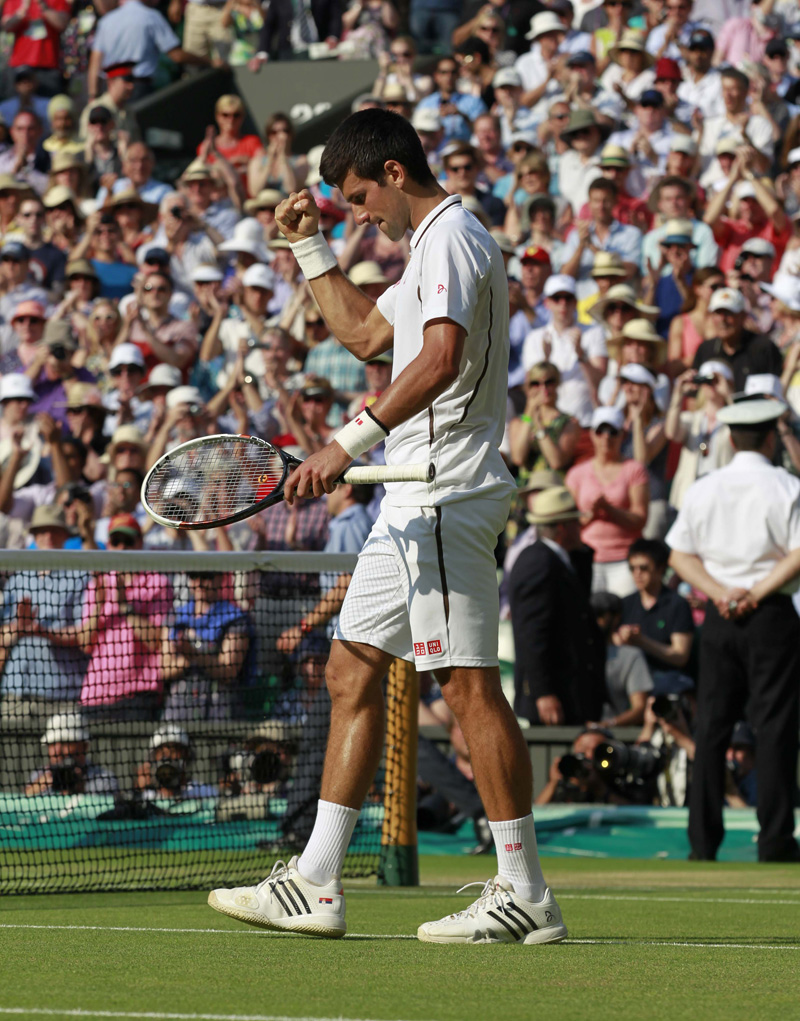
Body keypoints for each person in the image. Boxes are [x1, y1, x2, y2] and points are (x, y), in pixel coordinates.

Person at [209, 107, 568, 944]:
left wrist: (344, 443)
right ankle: (316, 882)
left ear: (395, 173)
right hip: (408, 499)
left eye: (359, 197)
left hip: (440, 489)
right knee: (351, 667)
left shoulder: (451, 237)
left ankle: (524, 891)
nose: (359, 215)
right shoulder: (428, 247)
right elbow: (371, 335)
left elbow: (439, 361)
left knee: (467, 684)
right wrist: (308, 249)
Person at [666, 398, 800, 863]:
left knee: (712, 728)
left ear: (729, 437)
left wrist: (722, 594)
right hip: (769, 614)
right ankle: (776, 840)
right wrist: (754, 592)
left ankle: (702, 843)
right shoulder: (787, 485)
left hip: (721, 616)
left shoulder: (705, 488)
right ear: (770, 438)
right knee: (775, 727)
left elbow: (679, 556)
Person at [508, 485, 605, 726]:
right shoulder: (539, 562)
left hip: (570, 694)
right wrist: (543, 693)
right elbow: (532, 634)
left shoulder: (557, 559)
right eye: (576, 522)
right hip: (557, 699)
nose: (581, 527)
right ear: (562, 528)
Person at [566, 405, 650, 595]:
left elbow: (640, 519)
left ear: (622, 435)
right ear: (592, 434)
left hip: (625, 559)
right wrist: (592, 514)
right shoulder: (576, 474)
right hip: (588, 559)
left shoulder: (634, 470)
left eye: (613, 432)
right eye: (600, 431)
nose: (606, 437)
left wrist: (610, 510)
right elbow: (570, 520)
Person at [619, 537, 695, 695]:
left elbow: (680, 656)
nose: (637, 573)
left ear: (660, 569)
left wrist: (642, 642)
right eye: (632, 568)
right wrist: (620, 638)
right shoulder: (625, 603)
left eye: (643, 568)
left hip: (669, 679)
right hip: (633, 679)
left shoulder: (677, 604)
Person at [590, 590, 652, 727]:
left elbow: (640, 707)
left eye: (600, 615)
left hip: (616, 735)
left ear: (616, 618)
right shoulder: (573, 656)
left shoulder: (631, 656)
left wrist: (607, 725)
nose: (593, 621)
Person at [24, 711, 118, 795]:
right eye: (52, 744)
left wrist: (82, 792)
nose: (57, 751)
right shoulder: (38, 776)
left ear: (84, 746)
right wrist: (32, 791)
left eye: (65, 743)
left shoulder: (105, 781)